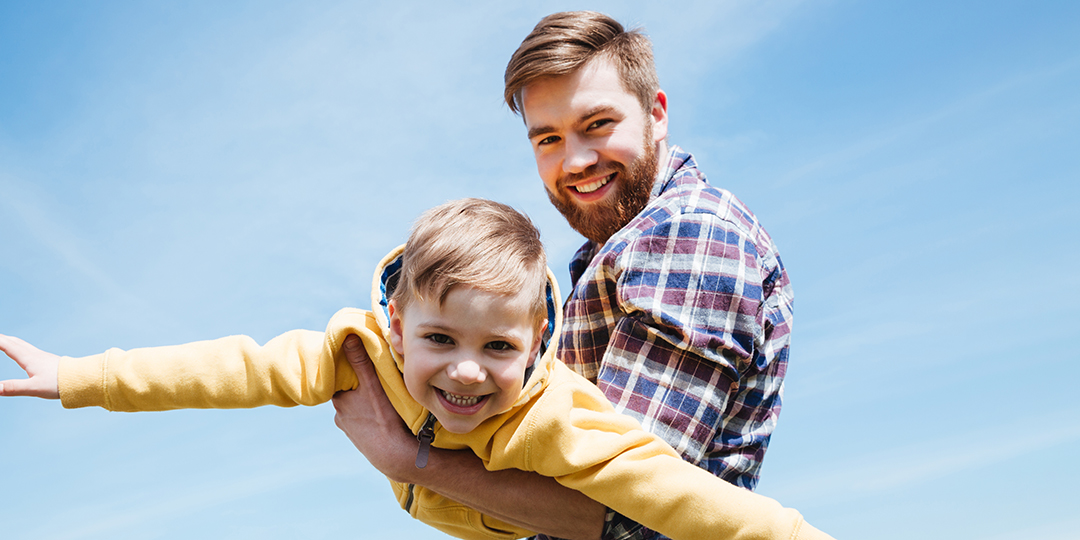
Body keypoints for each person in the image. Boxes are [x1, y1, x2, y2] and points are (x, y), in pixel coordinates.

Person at [0, 198, 829, 540]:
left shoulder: (556, 417)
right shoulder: (354, 351)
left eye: (500, 349)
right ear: (397, 325)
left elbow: (680, 493)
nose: (467, 373)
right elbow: (230, 370)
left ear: (538, 340)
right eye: (440, 341)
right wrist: (82, 379)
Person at [332, 11, 797, 540]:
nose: (574, 160)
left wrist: (408, 461)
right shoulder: (610, 254)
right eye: (547, 139)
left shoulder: (689, 235)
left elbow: (631, 508)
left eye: (597, 124)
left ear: (657, 114)